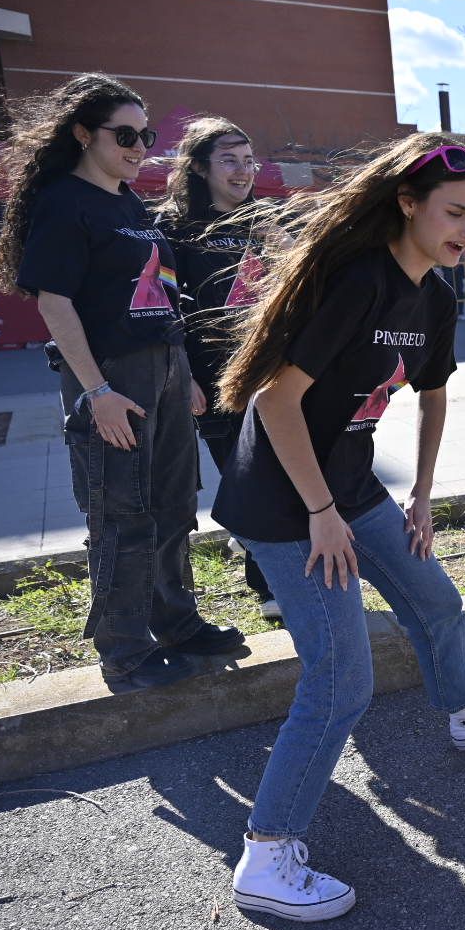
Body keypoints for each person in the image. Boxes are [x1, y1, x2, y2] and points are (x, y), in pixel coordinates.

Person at [211, 134, 465, 921]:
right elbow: (273, 402)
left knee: (436, 602)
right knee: (340, 681)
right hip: (285, 505)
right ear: (407, 203)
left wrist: (423, 496)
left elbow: (432, 395)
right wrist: (323, 517)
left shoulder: (433, 294)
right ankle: (266, 854)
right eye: (455, 213)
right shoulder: (356, 282)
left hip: (352, 491)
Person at [0, 73, 244, 689]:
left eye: (146, 134)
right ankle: (125, 649)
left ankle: (178, 624)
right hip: (111, 382)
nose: (138, 146)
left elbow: (161, 291)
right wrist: (97, 393)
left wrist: (180, 369)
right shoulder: (64, 201)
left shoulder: (131, 204)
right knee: (123, 517)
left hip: (165, 371)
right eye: (123, 134)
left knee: (176, 507)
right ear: (83, 134)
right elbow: (55, 304)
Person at [154, 115, 280, 621]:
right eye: (228, 159)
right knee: (243, 474)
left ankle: (273, 562)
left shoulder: (263, 221)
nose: (242, 170)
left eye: (249, 160)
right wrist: (183, 374)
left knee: (279, 473)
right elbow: (163, 308)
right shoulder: (173, 228)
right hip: (211, 380)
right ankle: (269, 582)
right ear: (200, 167)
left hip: (267, 373)